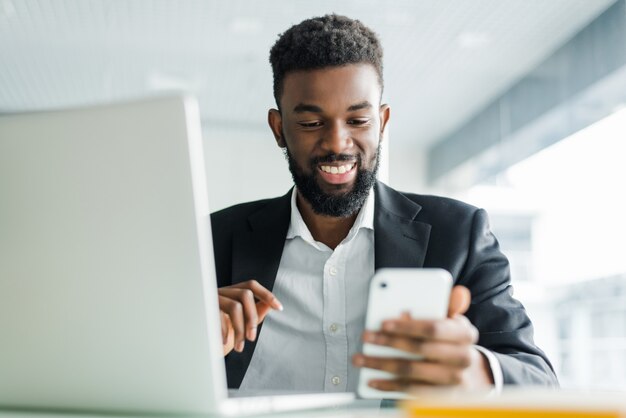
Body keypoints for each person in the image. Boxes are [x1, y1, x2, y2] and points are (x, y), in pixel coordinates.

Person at [211, 14, 558, 393]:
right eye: (312, 123)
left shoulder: (459, 234)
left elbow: (539, 379)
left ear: (382, 121)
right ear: (279, 129)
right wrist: (194, 347)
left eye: (358, 120)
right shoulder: (213, 240)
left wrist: (478, 371)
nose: (338, 143)